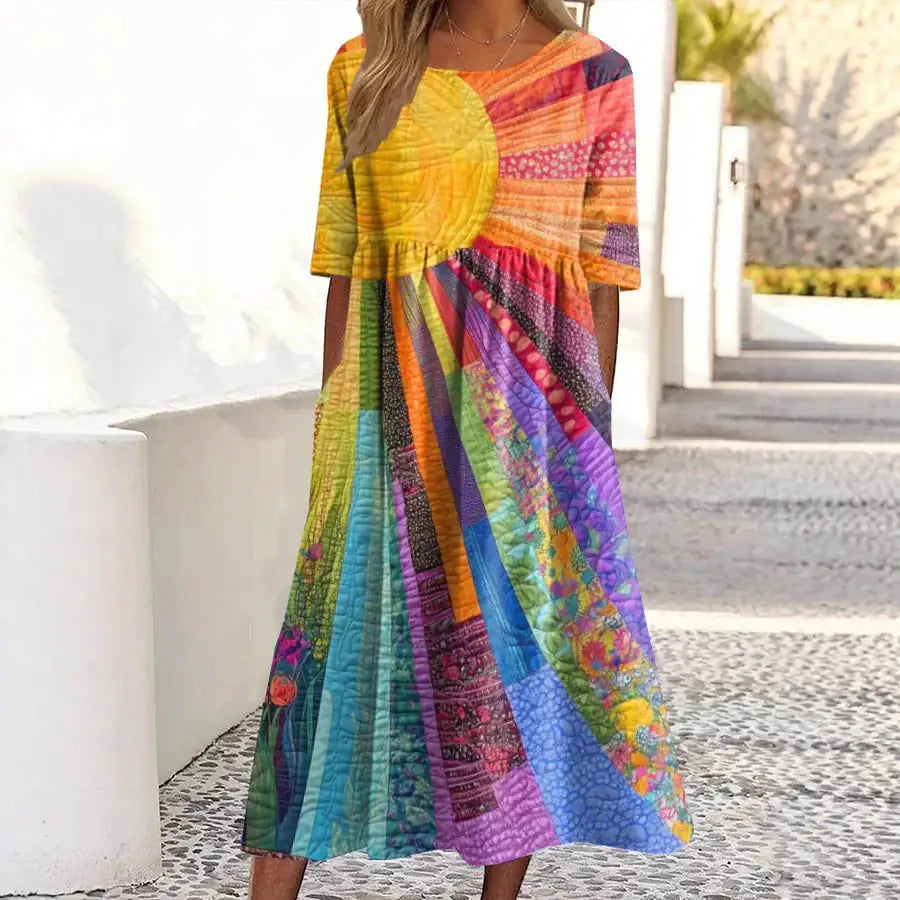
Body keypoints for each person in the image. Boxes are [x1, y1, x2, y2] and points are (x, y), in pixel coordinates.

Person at [241, 1, 693, 897]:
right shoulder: (366, 66)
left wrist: (580, 456)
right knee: (329, 651)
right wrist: (337, 430)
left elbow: (603, 282)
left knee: (508, 656)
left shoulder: (593, 74)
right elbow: (346, 264)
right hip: (384, 417)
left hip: (530, 429)